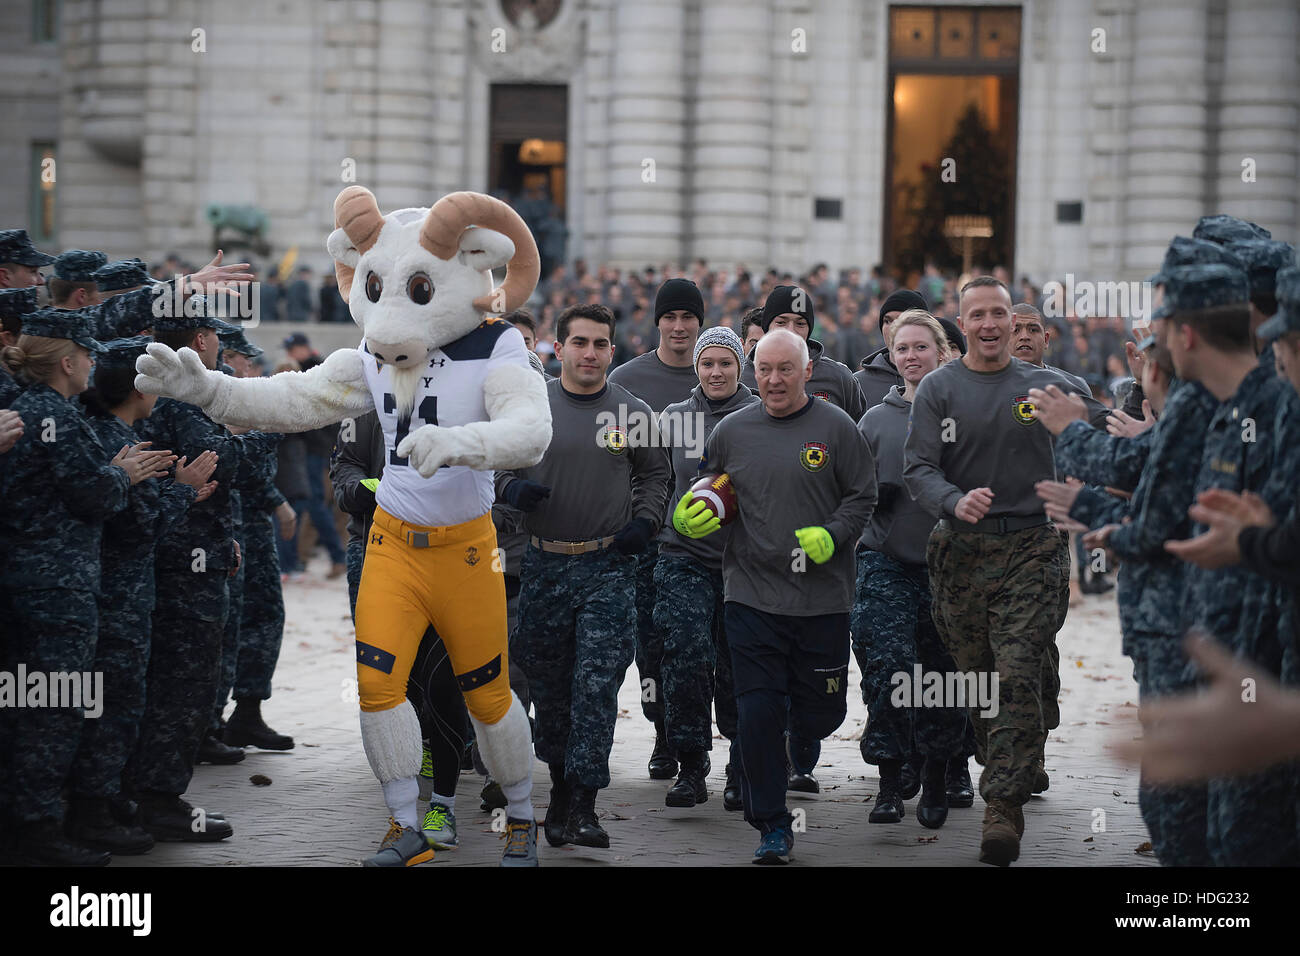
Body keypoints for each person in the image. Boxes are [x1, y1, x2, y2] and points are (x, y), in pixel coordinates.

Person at [902, 275, 1106, 866]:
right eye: (979, 316)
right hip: (960, 555)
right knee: (982, 681)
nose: (991, 326)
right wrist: (952, 499)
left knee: (1016, 671)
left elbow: (1103, 425)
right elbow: (918, 468)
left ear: (1015, 326)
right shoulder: (939, 389)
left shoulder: (1045, 384)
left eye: (1001, 316)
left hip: (1032, 550)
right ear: (960, 324)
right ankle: (1009, 765)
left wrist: (1148, 404)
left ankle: (1003, 808)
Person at [680, 328, 875, 863]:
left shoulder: (837, 428)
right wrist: (696, 511)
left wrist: (834, 534)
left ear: (807, 370)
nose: (772, 380)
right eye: (763, 369)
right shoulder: (732, 431)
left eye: (784, 369)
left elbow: (864, 495)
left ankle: (801, 730)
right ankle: (771, 824)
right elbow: (710, 485)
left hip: (822, 601)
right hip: (750, 596)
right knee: (757, 714)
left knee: (821, 714)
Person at [0, 310, 173, 865]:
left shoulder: (28, 411)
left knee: (32, 706)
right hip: (58, 590)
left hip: (29, 584)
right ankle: (39, 830)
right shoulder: (55, 414)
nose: (95, 364)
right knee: (53, 710)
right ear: (68, 362)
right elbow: (91, 496)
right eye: (88, 355)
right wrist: (124, 473)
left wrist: (113, 470)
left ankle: (36, 820)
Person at [503, 303, 671, 849]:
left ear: (612, 352)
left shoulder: (633, 411)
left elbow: (655, 475)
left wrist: (645, 522)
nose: (590, 353)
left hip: (608, 569)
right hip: (544, 566)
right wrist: (511, 489)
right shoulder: (532, 407)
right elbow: (494, 464)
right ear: (559, 348)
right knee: (551, 695)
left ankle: (586, 807)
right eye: (580, 343)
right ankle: (560, 790)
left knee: (596, 688)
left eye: (600, 344)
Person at [128, 302, 277, 843]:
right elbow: (233, 464)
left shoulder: (179, 393)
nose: (218, 342)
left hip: (194, 552)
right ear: (201, 339)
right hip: (181, 567)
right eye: (213, 334)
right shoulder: (182, 399)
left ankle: (151, 793)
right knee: (183, 685)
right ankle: (158, 798)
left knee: (183, 682)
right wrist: (264, 424)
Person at [69, 336, 218, 855]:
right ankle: (96, 809)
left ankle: (110, 803)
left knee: (120, 705)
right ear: (137, 389)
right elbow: (139, 527)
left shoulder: (111, 432)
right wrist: (183, 490)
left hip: (121, 597)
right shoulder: (116, 441)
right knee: (112, 707)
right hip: (117, 601)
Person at [331, 409, 470, 850]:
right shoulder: (366, 406)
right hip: (382, 554)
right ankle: (405, 804)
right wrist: (367, 489)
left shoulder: (462, 393)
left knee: (446, 683)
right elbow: (345, 474)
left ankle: (443, 802)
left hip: (454, 556)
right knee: (392, 681)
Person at [853, 310, 969, 829]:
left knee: (942, 679)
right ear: (892, 355)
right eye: (903, 349)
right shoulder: (873, 421)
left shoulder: (963, 414)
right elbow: (847, 493)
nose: (912, 357)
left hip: (950, 570)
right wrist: (873, 499)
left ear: (942, 352)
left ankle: (940, 773)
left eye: (922, 347)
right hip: (885, 564)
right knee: (888, 668)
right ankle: (890, 776)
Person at [653, 326, 759, 811]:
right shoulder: (673, 419)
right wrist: (659, 518)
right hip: (683, 558)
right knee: (685, 656)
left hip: (745, 563)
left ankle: (743, 764)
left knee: (741, 664)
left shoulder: (760, 417)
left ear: (741, 367)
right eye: (707, 363)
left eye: (726, 363)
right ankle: (691, 765)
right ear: (696, 367)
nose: (716, 372)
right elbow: (649, 478)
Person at [608, 279, 705, 780]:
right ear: (658, 322)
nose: (680, 326)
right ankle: (664, 733)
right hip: (647, 537)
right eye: (671, 317)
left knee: (700, 645)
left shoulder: (721, 375)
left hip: (707, 545)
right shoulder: (628, 380)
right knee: (654, 643)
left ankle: (703, 739)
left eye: (688, 317)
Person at [853, 288, 925, 408]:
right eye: (887, 321)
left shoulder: (938, 380)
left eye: (901, 320)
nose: (893, 328)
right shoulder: (857, 384)